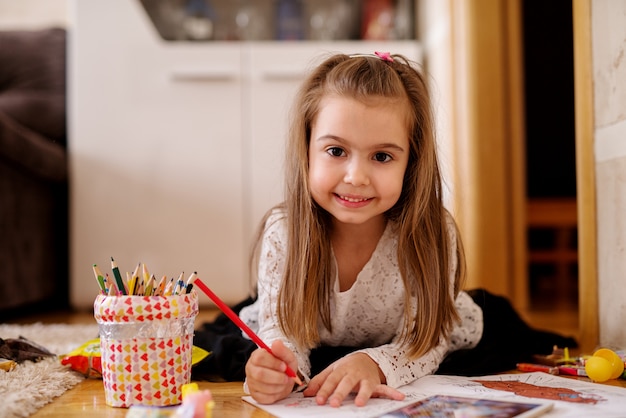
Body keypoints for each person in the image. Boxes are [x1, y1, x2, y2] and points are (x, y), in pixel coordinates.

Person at [237, 51, 484, 407]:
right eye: (336, 151)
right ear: (306, 150)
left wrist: (375, 364)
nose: (356, 177)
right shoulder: (285, 233)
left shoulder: (431, 234)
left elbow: (426, 340)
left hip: (411, 338)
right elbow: (283, 331)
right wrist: (280, 369)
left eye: (382, 157)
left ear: (410, 163)